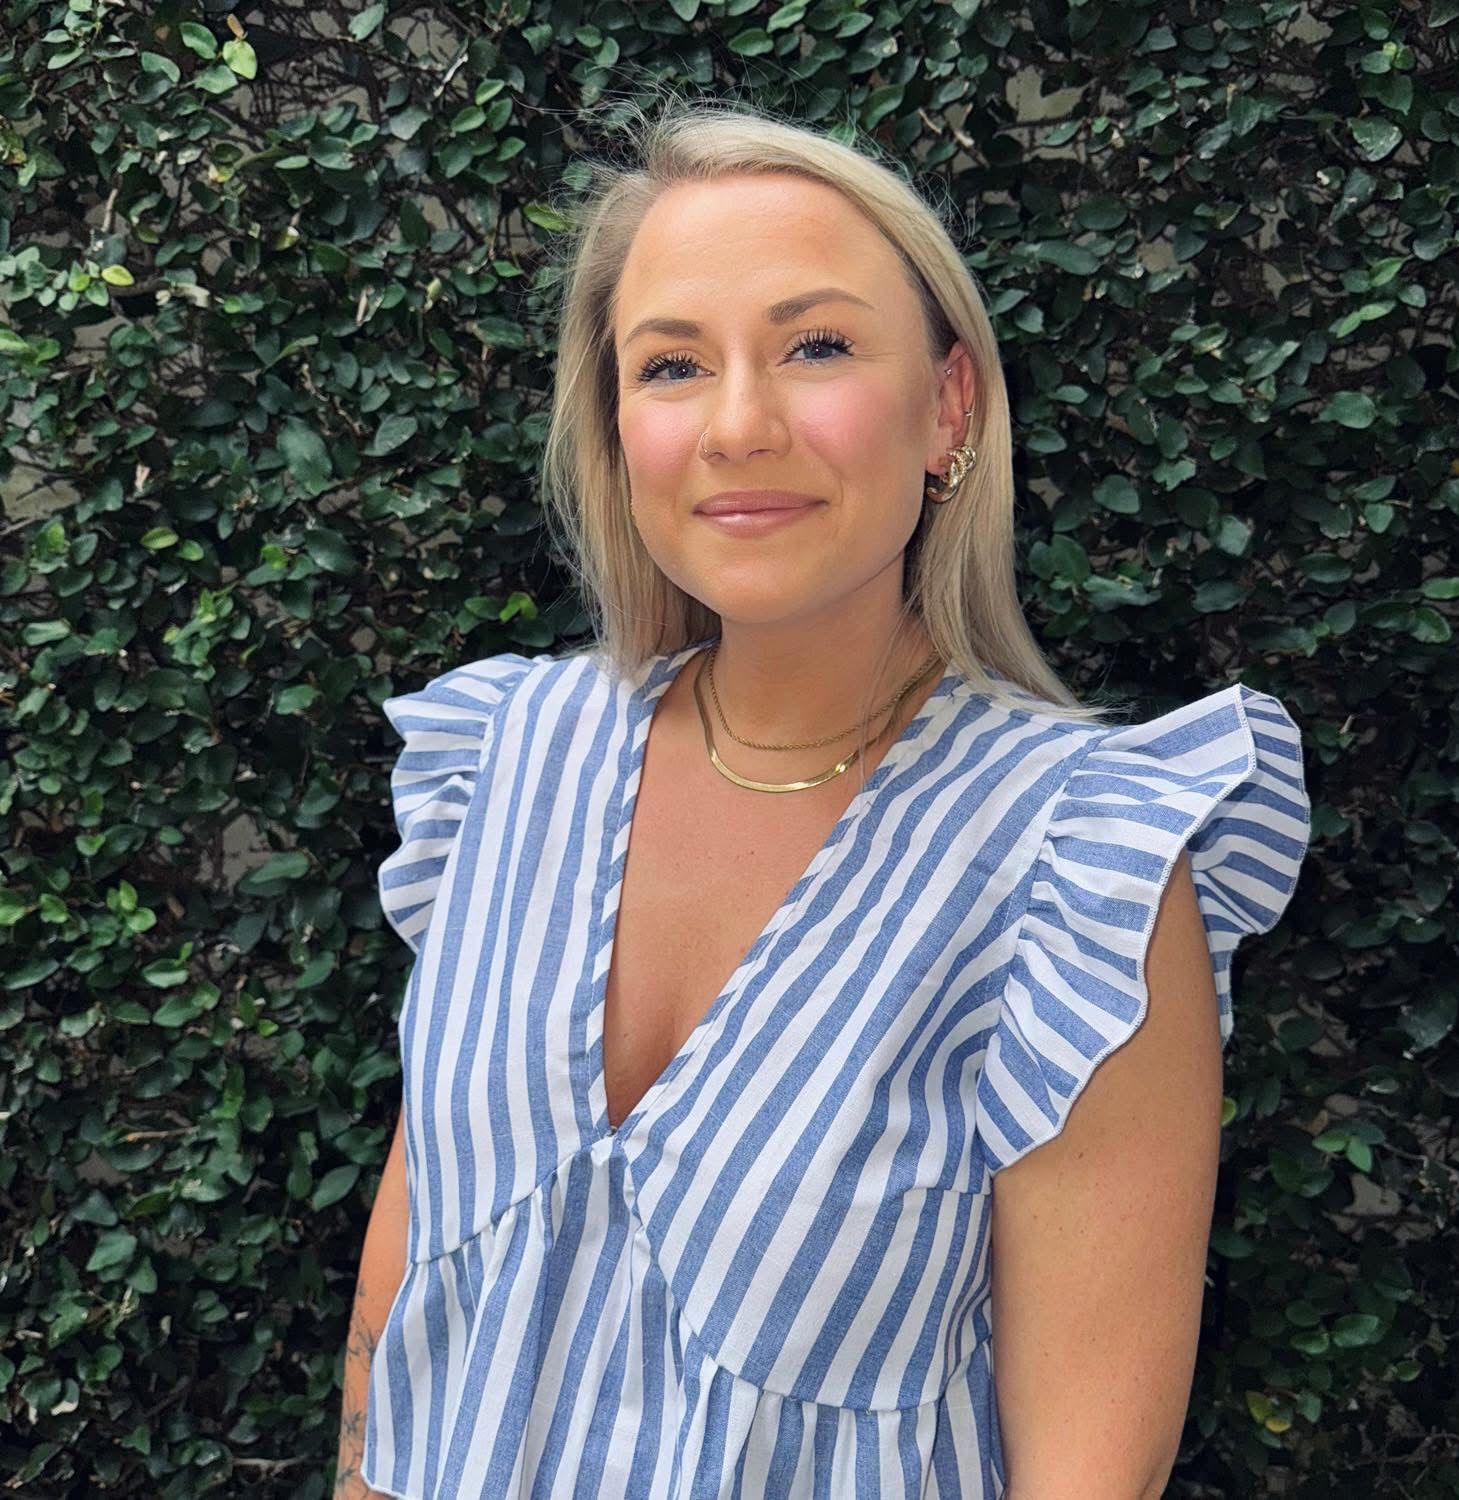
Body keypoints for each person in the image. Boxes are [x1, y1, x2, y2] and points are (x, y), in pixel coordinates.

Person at [343, 96, 1311, 1500]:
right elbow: (412, 1266)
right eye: (672, 364)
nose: (739, 426)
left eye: (816, 347)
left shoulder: (1077, 866)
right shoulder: (504, 761)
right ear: (617, 425)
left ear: (948, 408)